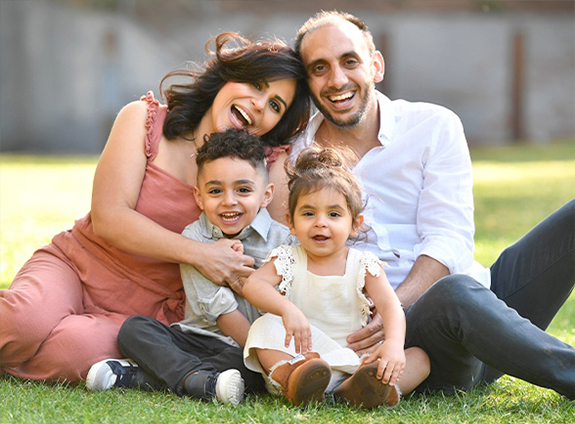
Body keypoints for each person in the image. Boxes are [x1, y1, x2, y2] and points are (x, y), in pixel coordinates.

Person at [266, 10, 574, 399]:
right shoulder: (293, 159)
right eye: (320, 68)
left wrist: (396, 302)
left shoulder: (433, 125)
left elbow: (450, 238)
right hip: (413, 345)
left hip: (480, 303)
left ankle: (499, 334)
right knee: (454, 293)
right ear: (307, 82)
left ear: (375, 65)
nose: (338, 80)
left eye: (350, 61)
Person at [0, 32, 310, 384]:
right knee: (20, 323)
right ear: (227, 75)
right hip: (78, 265)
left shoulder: (269, 168)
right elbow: (108, 216)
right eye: (255, 85)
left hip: (148, 314)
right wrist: (201, 254)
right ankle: (25, 337)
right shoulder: (145, 120)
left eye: (274, 106)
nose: (259, 104)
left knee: (75, 351)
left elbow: (285, 252)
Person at [86, 128, 297, 404]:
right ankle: (199, 379)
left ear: (266, 195)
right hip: (197, 339)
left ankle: (147, 377)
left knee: (250, 365)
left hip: (247, 347)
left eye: (243, 190)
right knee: (134, 329)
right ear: (199, 197)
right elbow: (219, 310)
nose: (229, 201)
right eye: (215, 191)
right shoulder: (195, 237)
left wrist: (263, 353)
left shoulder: (284, 242)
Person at [242, 147, 430, 408]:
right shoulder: (287, 258)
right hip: (303, 359)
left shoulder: (362, 264)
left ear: (355, 223)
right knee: (263, 327)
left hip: (352, 361)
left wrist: (394, 345)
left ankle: (363, 389)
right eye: (308, 213)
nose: (320, 222)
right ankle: (292, 381)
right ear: (291, 223)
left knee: (419, 357)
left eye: (333, 214)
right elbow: (253, 284)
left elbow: (391, 308)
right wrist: (286, 309)